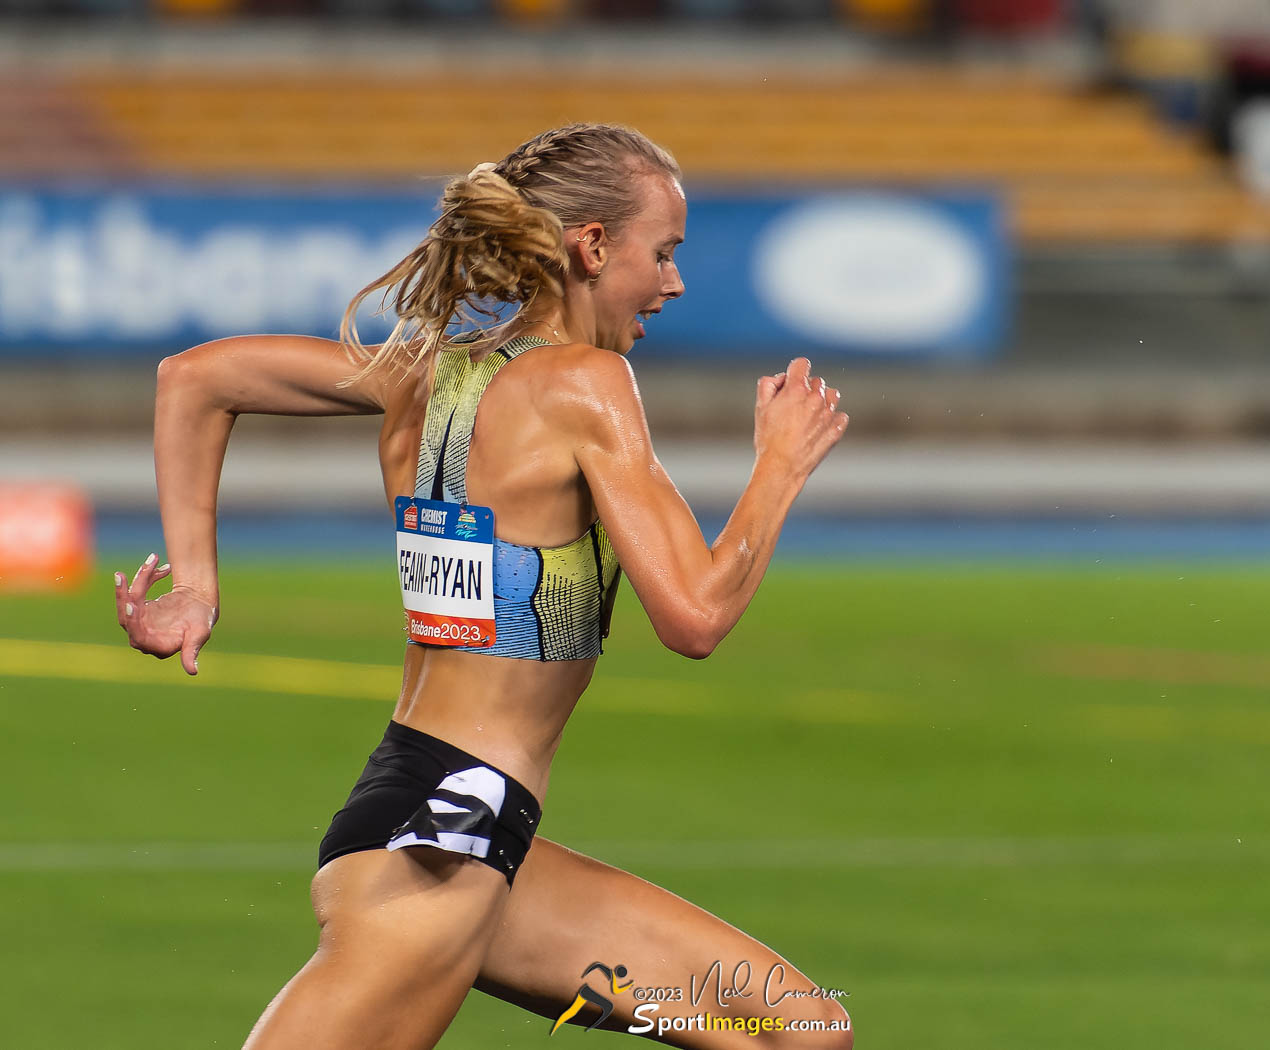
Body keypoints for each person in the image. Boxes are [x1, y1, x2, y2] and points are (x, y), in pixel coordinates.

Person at [114, 122, 851, 1049]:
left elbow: (197, 379)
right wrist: (778, 468)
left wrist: (198, 584)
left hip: (459, 827)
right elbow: (695, 615)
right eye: (661, 253)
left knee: (798, 1031)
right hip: (439, 843)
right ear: (591, 246)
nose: (674, 282)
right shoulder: (588, 383)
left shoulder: (425, 372)